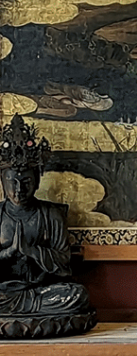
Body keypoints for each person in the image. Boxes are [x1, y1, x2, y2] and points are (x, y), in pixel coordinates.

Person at [0, 114, 91, 318]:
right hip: (5, 290)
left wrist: (31, 250)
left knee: (77, 295)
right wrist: (9, 253)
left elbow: (64, 262)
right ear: (2, 182)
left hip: (43, 290)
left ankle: (22, 313)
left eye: (26, 182)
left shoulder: (51, 214)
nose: (18, 189)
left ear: (38, 181)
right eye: (12, 182)